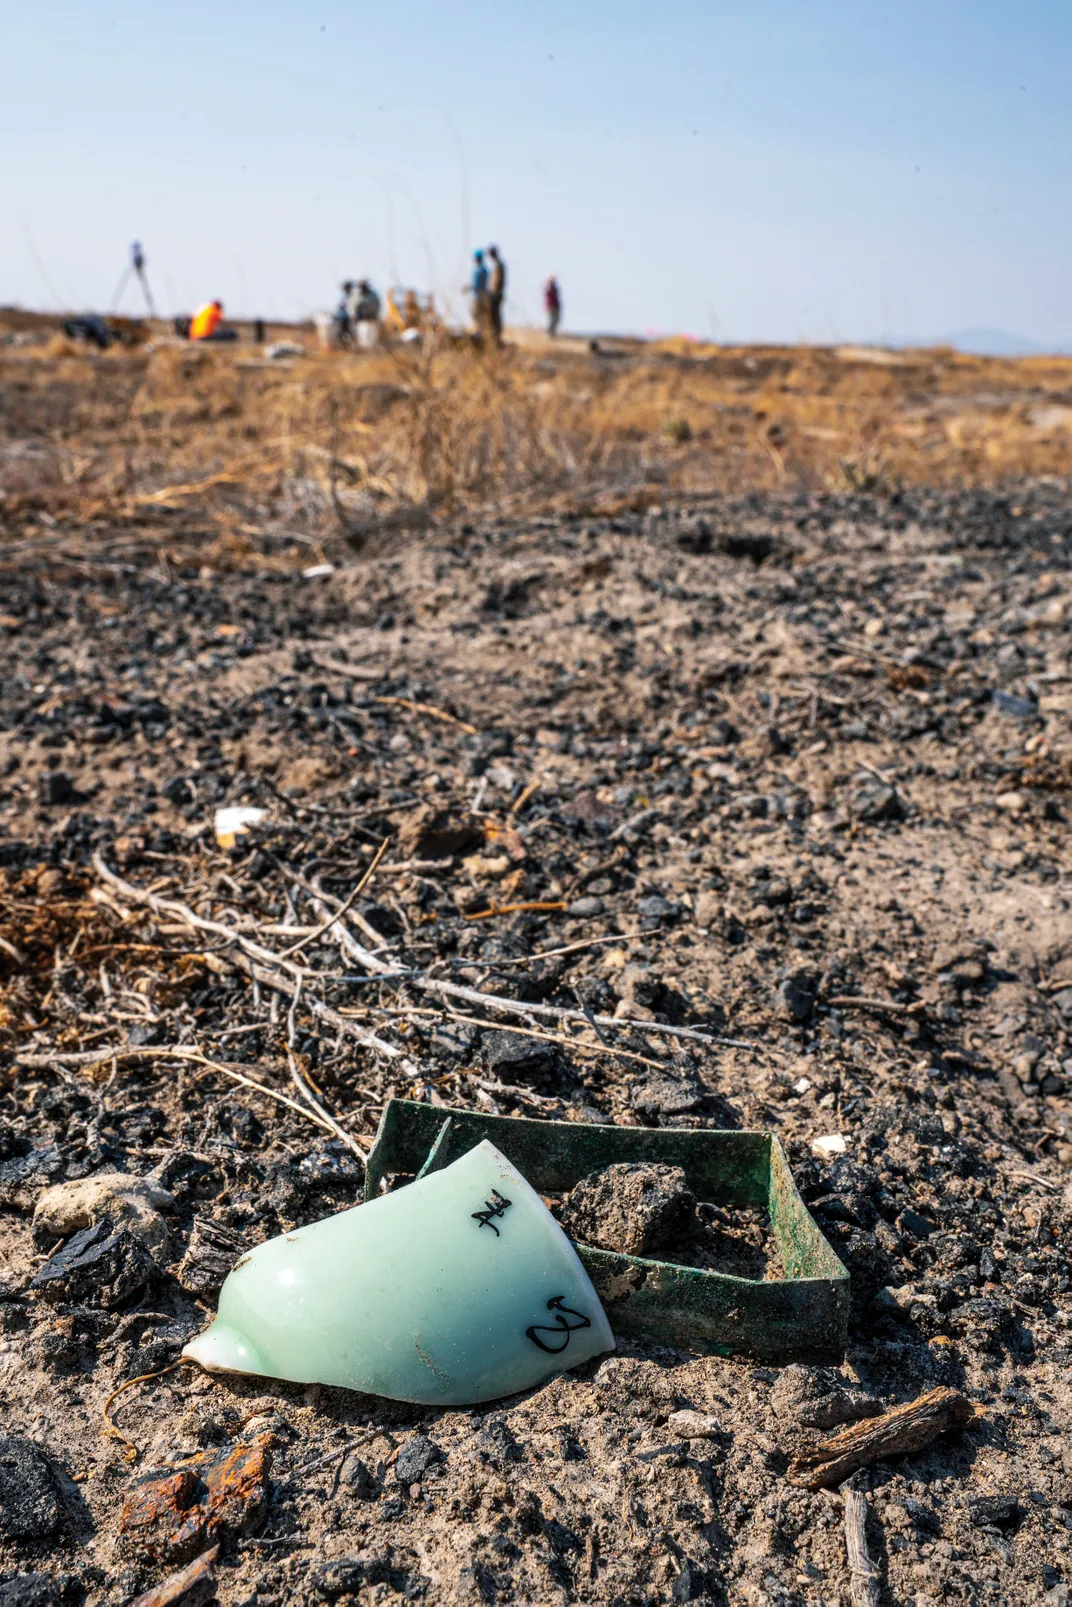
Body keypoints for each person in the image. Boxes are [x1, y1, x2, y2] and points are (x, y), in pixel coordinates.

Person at [487, 245, 506, 345]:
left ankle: (496, 337)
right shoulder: (497, 264)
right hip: (495, 293)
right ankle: (495, 336)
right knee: (493, 316)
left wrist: (493, 292)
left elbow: (497, 279)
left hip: (496, 294)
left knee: (495, 315)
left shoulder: (498, 264)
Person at [469, 249, 489, 335]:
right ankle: (483, 332)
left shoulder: (478, 270)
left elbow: (476, 285)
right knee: (483, 316)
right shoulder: (485, 270)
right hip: (484, 296)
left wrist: (467, 288)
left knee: (476, 315)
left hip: (477, 296)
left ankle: (478, 333)